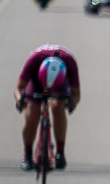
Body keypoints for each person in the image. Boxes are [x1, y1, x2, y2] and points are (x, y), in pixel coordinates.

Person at [14, 44, 80, 172]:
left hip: (59, 83)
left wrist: (72, 103)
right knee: (32, 114)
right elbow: (18, 88)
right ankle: (27, 154)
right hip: (36, 78)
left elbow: (77, 94)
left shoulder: (70, 62)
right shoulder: (34, 59)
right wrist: (20, 100)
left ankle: (60, 152)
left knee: (57, 107)